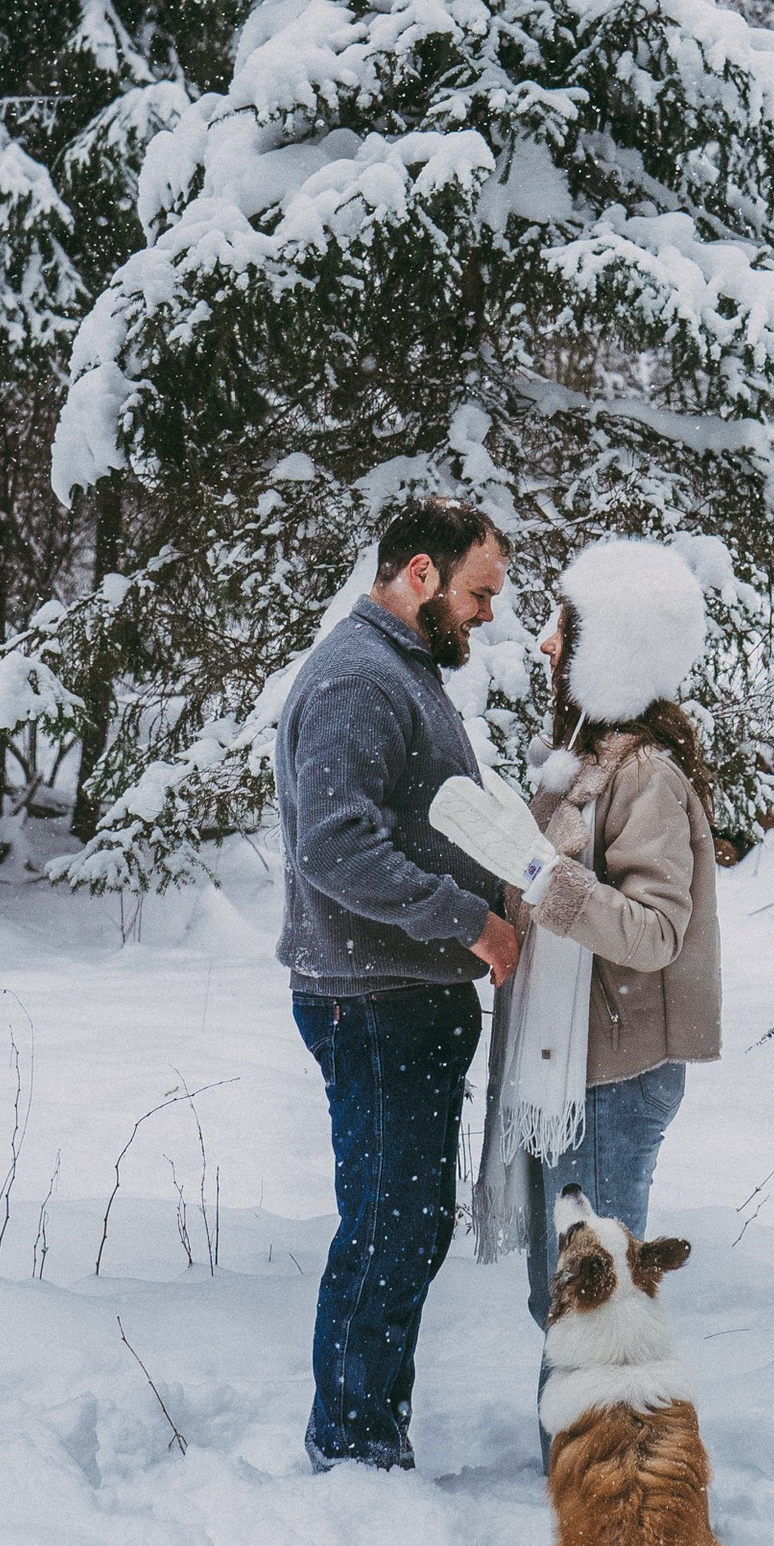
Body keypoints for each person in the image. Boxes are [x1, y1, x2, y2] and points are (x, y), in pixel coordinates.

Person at [277, 498, 518, 1471]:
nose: (488, 615)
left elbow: (429, 824)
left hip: (402, 997)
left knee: (405, 1225)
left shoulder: (398, 672)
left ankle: (367, 1435)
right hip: (375, 1003)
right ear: (419, 574)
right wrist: (471, 922)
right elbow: (335, 848)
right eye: (477, 594)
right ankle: (352, 1450)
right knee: (390, 1226)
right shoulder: (357, 681)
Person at [498, 539, 724, 1332]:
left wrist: (544, 881)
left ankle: (601, 1459)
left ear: (610, 649)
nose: (545, 643)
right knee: (563, 1302)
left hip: (612, 1078)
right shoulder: (587, 763)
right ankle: (576, 1458)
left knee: (590, 1309)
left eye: (565, 625)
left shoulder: (645, 774)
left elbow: (657, 930)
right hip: (575, 1066)